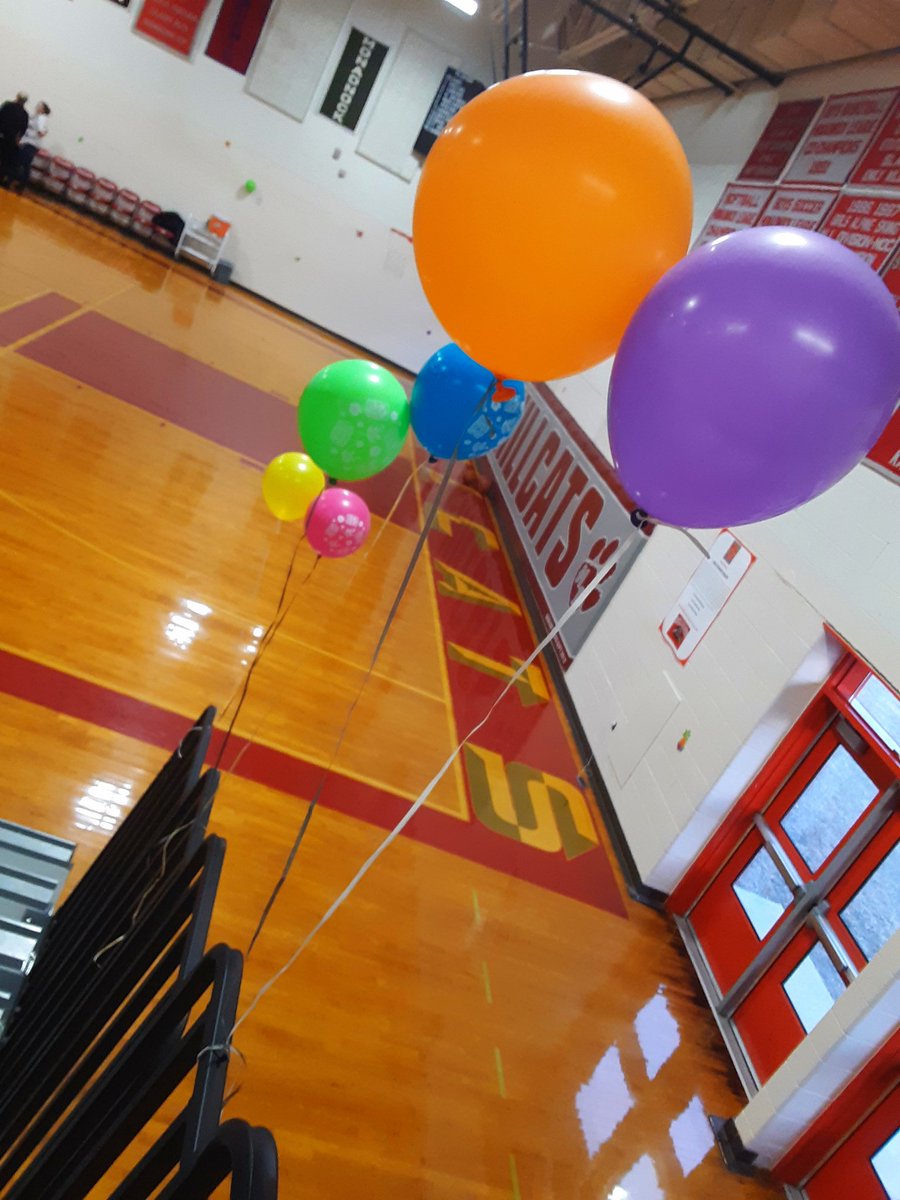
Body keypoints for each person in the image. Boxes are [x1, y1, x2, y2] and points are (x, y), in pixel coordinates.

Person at [17, 100, 50, 190]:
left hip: (31, 143)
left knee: (24, 163)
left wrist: (39, 133)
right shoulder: (35, 117)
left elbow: (41, 132)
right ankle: (21, 183)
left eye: (39, 106)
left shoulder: (42, 118)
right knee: (25, 163)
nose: (37, 107)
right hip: (27, 142)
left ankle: (22, 184)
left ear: (43, 110)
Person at [0, 92, 28, 188]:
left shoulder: (7, 105)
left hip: (1, 133)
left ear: (17, 97)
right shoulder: (24, 114)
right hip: (11, 139)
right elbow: (23, 130)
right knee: (4, 160)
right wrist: (18, 139)